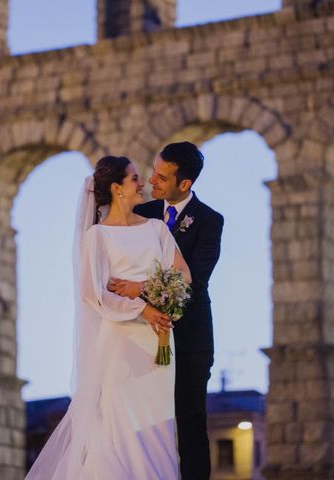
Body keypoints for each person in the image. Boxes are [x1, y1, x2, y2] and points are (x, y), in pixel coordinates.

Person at [26, 155, 191, 480]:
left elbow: (183, 275)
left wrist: (146, 289)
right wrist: (144, 308)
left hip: (158, 340)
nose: (141, 182)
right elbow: (96, 294)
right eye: (133, 178)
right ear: (117, 188)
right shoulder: (97, 237)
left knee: (157, 426)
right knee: (119, 426)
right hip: (122, 340)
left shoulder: (157, 229)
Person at [109, 142, 223, 479]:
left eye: (162, 177)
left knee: (190, 426)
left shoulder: (209, 221)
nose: (152, 181)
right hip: (140, 336)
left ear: (185, 184)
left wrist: (139, 289)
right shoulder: (141, 214)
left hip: (190, 339)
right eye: (153, 172)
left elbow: (195, 280)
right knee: (142, 425)